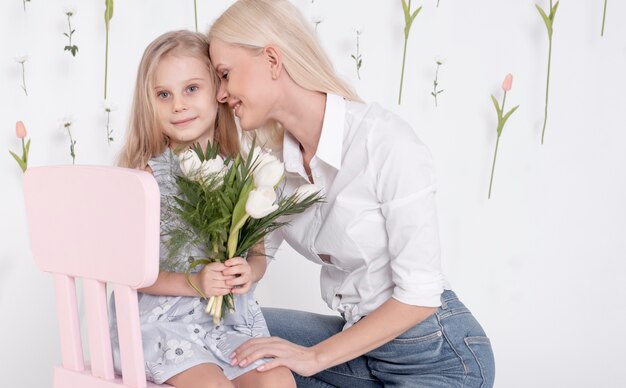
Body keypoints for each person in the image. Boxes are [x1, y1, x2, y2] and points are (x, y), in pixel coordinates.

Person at [207, 1, 496, 387]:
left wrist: (313, 358)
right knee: (223, 339)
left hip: (437, 356)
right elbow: (258, 256)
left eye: (225, 75)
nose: (222, 95)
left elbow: (420, 296)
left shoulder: (385, 143)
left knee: (252, 349)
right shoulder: (274, 165)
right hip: (361, 350)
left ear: (272, 60)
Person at [113, 30, 295, 388]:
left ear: (219, 92)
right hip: (159, 327)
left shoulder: (242, 173)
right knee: (211, 385)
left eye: (191, 89)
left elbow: (257, 255)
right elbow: (129, 273)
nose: (178, 105)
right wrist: (194, 282)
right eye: (164, 94)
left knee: (277, 379)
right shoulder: (146, 178)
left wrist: (248, 272)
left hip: (225, 326)